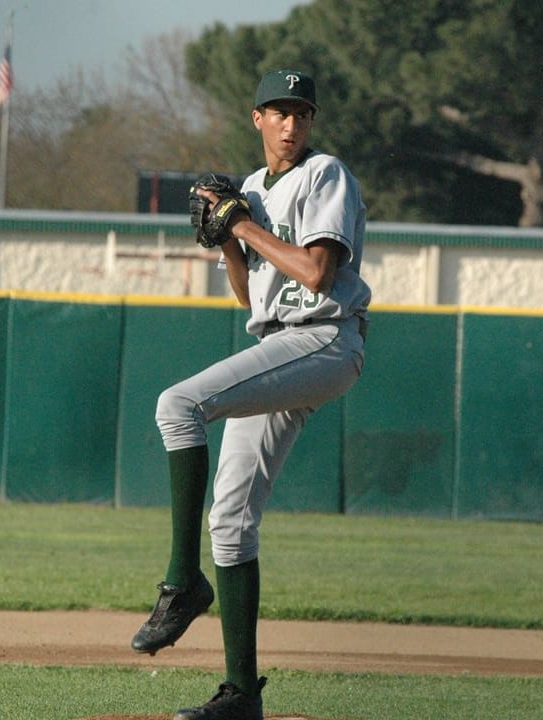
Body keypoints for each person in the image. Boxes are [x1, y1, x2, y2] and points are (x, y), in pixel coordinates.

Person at [131, 68, 372, 720]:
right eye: (279, 111)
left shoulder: (326, 176)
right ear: (257, 117)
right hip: (277, 344)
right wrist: (227, 238)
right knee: (230, 523)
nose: (292, 125)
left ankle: (181, 582)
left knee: (177, 405)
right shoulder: (250, 191)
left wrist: (243, 227)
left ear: (312, 122)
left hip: (324, 341)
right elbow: (249, 297)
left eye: (302, 113)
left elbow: (319, 274)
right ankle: (240, 696)